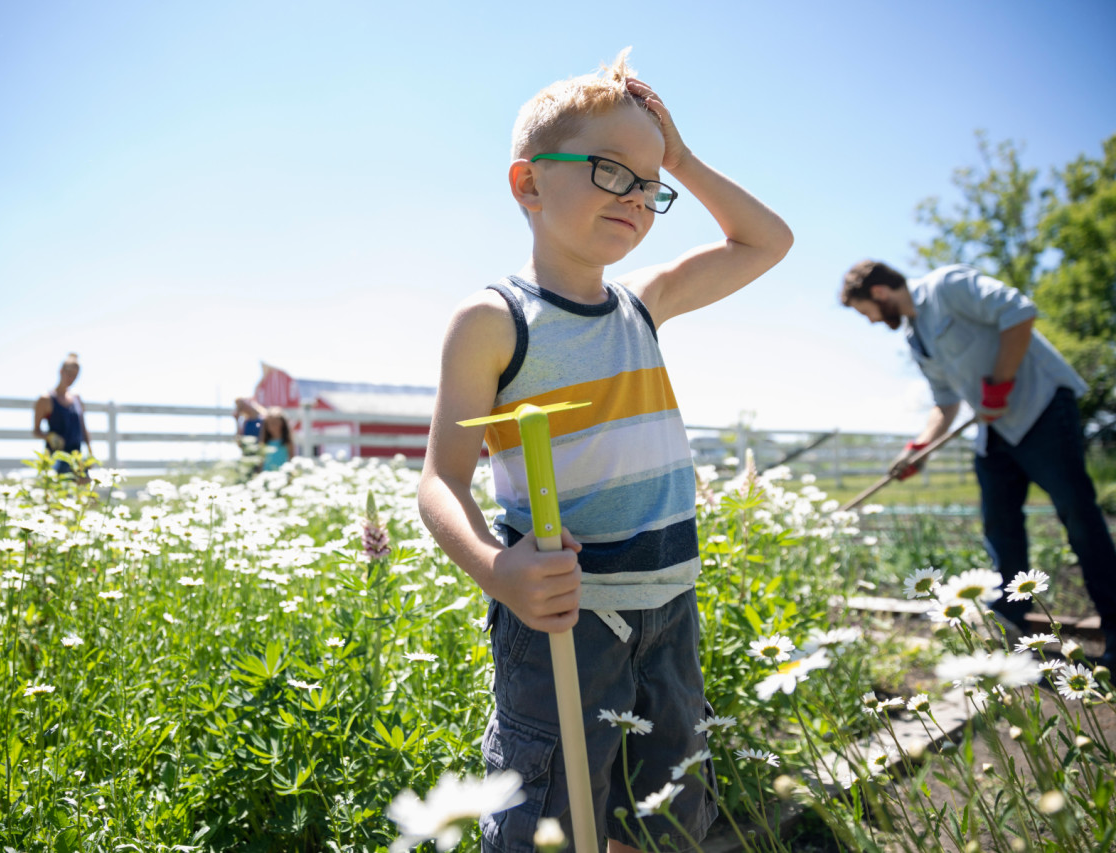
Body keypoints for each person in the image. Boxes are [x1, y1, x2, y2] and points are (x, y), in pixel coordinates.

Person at [418, 50, 792, 852]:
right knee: (545, 818)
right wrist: (497, 570)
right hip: (566, 613)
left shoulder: (643, 302)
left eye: (650, 184)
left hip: (671, 603)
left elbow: (767, 241)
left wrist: (681, 158)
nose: (638, 198)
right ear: (528, 184)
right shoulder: (493, 320)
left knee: (664, 818)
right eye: (610, 171)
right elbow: (440, 483)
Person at [840, 260, 1116, 668]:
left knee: (1078, 515)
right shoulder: (918, 340)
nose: (873, 321)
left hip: (1041, 408)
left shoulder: (947, 286)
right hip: (996, 430)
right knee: (999, 526)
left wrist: (999, 384)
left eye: (868, 312)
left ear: (879, 292)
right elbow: (946, 403)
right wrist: (918, 448)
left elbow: (1019, 311)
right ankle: (1010, 625)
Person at [32, 352, 94, 476]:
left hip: (76, 455)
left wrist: (90, 451)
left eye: (75, 376)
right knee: (59, 492)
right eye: (69, 374)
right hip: (56, 457)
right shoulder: (46, 399)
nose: (71, 379)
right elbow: (36, 431)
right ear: (61, 371)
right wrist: (50, 436)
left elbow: (83, 427)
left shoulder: (77, 398)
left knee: (86, 492)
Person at [260, 406, 294, 471]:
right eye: (269, 424)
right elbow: (261, 460)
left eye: (275, 423)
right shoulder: (265, 442)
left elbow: (291, 458)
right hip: (267, 474)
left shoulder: (287, 441)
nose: (272, 426)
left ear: (282, 423)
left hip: (282, 474)